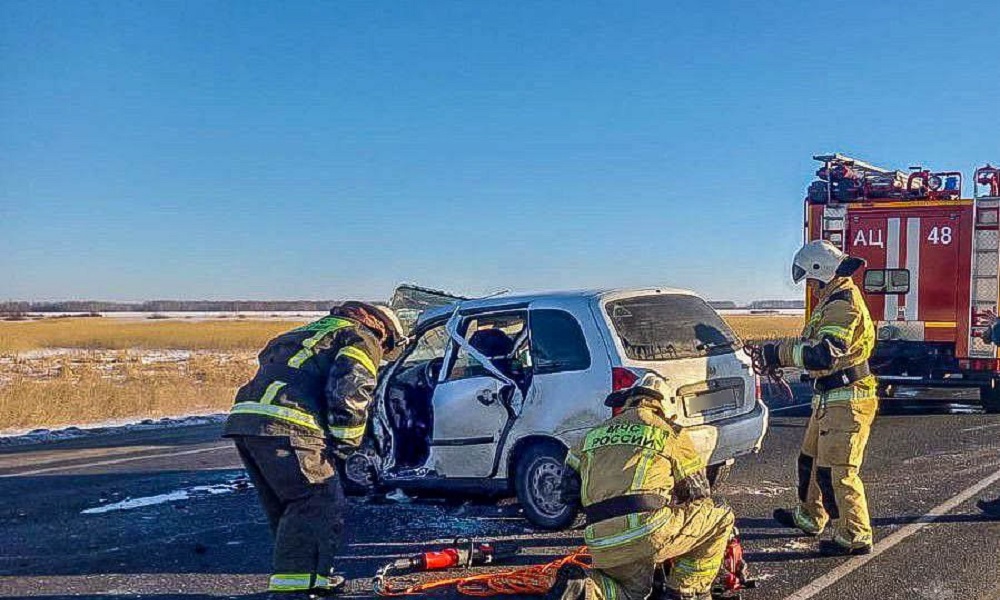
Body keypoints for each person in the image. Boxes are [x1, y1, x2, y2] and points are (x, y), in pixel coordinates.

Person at [222, 302, 404, 596]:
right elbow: (352, 389)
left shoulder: (304, 332)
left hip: (247, 421)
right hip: (289, 424)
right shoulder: (361, 336)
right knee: (315, 497)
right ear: (382, 328)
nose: (383, 349)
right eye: (388, 345)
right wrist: (347, 444)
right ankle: (293, 589)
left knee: (290, 505)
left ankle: (314, 579)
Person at [552, 373, 734, 600]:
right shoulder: (670, 432)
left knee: (632, 593)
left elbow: (567, 492)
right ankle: (686, 591)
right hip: (648, 532)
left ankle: (586, 588)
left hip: (600, 539)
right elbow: (698, 494)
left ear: (629, 401)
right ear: (665, 405)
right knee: (720, 514)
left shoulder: (592, 435)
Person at [760, 240, 878, 556]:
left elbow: (822, 355)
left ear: (821, 272)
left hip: (847, 401)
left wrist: (777, 353)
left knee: (837, 471)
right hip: (830, 398)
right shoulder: (831, 301)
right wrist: (777, 354)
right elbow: (810, 346)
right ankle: (811, 516)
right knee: (810, 462)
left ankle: (854, 535)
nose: (810, 287)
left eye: (811, 281)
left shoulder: (842, 305)